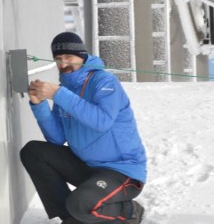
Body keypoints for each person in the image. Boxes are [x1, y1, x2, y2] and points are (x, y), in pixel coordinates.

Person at [20, 32, 147, 224]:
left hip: (122, 173)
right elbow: (56, 139)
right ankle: (71, 220)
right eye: (58, 59)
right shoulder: (65, 90)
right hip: (87, 167)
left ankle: (129, 210)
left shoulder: (105, 82)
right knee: (33, 151)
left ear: (82, 57)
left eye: (69, 57)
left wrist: (58, 94)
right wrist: (40, 105)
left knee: (81, 203)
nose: (63, 64)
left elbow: (101, 121)